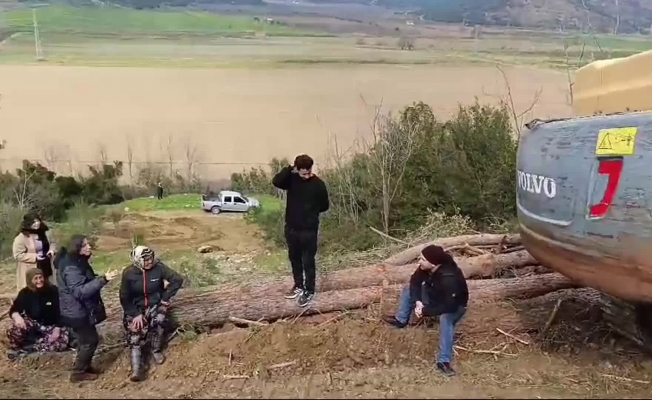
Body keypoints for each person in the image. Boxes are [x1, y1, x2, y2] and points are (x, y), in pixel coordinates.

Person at [382, 245, 468, 377]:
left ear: (432, 263)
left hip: (455, 306)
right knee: (407, 290)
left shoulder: (449, 277)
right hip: (436, 296)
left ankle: (443, 361)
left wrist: (425, 311)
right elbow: (415, 282)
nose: (419, 262)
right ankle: (401, 319)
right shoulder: (426, 267)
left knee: (445, 319)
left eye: (422, 259)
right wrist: (418, 301)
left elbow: (449, 306)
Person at [55, 235, 118, 383]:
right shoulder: (71, 267)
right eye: (85, 245)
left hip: (78, 309)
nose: (89, 247)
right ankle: (78, 372)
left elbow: (85, 280)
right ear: (77, 248)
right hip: (76, 312)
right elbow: (80, 291)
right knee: (89, 341)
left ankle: (85, 367)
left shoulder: (76, 262)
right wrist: (103, 280)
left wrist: (100, 278)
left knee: (87, 341)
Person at [272, 154, 329, 308]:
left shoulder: (319, 184)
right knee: (294, 258)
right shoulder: (292, 180)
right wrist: (290, 168)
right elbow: (276, 181)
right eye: (303, 173)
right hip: (291, 228)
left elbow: (325, 205)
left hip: (309, 230)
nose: (306, 176)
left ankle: (309, 290)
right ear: (297, 170)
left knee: (308, 261)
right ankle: (298, 285)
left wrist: (311, 211)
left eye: (309, 172)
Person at [119, 245, 184, 382]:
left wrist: (165, 299)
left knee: (159, 320)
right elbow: (124, 297)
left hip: (155, 304)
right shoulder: (129, 273)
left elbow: (177, 279)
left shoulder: (159, 268)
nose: (149, 262)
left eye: (151, 258)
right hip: (135, 308)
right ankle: (136, 368)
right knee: (135, 332)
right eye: (145, 259)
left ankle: (156, 350)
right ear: (137, 260)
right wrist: (135, 313)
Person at [6, 268, 69, 354]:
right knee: (14, 329)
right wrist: (17, 316)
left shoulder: (53, 290)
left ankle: (31, 348)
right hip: (35, 324)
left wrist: (57, 328)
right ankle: (24, 345)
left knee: (60, 343)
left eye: (40, 277)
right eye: (36, 278)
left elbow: (63, 310)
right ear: (29, 280)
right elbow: (14, 309)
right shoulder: (25, 293)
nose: (39, 281)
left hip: (53, 326)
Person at [13, 213, 57, 292]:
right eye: (33, 222)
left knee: (47, 288)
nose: (37, 223)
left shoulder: (46, 233)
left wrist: (52, 250)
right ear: (28, 224)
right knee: (32, 290)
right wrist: (35, 257)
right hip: (31, 268)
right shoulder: (21, 237)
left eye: (38, 221)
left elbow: (52, 243)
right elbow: (18, 255)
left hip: (46, 265)